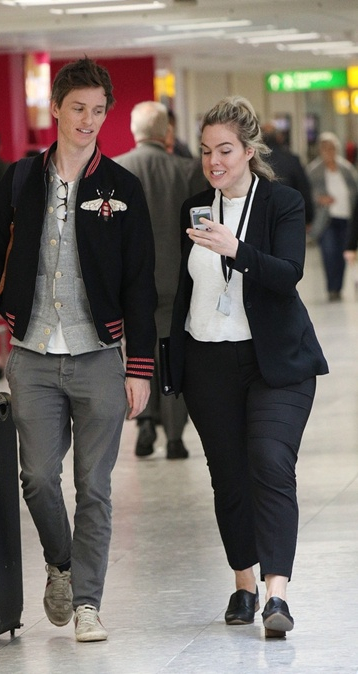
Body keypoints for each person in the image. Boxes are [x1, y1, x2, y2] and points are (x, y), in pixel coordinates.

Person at [0, 57, 157, 642]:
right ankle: (61, 564)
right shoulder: (21, 180)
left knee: (94, 485)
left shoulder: (123, 188)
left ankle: (88, 603)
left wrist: (140, 367)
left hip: (98, 355)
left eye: (98, 111)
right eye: (78, 109)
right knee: (40, 478)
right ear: (56, 109)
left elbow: (140, 282)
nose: (88, 120)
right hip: (33, 353)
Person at [169, 96, 328, 638]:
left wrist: (234, 248)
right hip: (208, 360)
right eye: (206, 151)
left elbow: (287, 273)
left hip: (276, 361)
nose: (214, 162)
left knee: (270, 461)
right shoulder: (194, 207)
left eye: (225, 150)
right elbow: (187, 287)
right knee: (229, 476)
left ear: (249, 150)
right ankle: (244, 584)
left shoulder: (282, 202)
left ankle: (276, 594)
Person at [114, 100, 205, 459]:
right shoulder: (188, 170)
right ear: (167, 132)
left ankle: (145, 422)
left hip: (129, 284)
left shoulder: (115, 170)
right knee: (171, 354)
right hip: (176, 281)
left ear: (133, 130)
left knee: (138, 350)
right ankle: (175, 437)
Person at [307, 132, 358, 301]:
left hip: (346, 217)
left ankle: (338, 288)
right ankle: (332, 288)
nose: (329, 151)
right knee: (329, 253)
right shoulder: (314, 171)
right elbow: (306, 194)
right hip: (326, 219)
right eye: (325, 148)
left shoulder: (347, 169)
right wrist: (319, 199)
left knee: (343, 254)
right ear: (320, 150)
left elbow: (355, 191)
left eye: (332, 148)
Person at [261, 122, 314, 225]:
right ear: (279, 138)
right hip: (288, 215)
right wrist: (308, 217)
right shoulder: (292, 160)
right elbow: (303, 189)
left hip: (261, 218)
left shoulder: (252, 160)